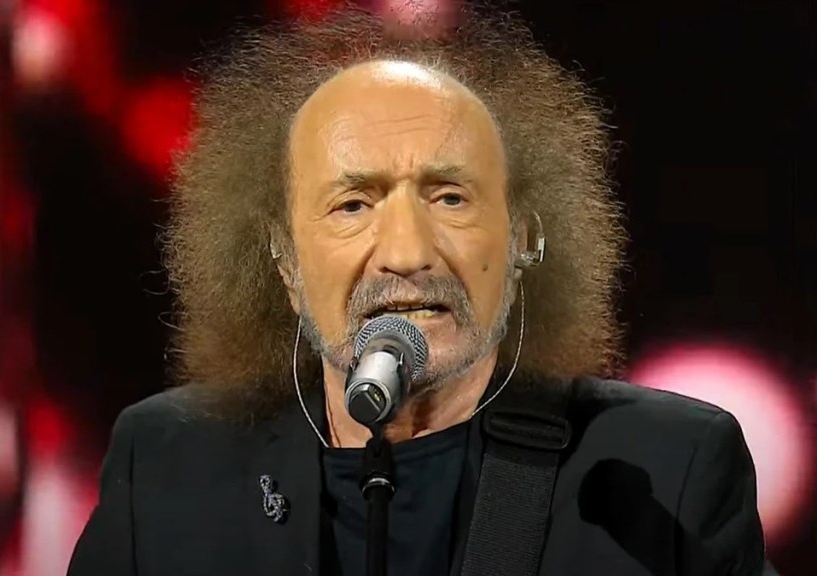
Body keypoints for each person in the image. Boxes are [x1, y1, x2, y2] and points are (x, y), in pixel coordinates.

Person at [67, 5, 769, 575]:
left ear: (524, 240)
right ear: (284, 260)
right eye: (353, 205)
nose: (406, 253)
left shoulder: (666, 469)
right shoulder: (165, 463)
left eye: (450, 197)